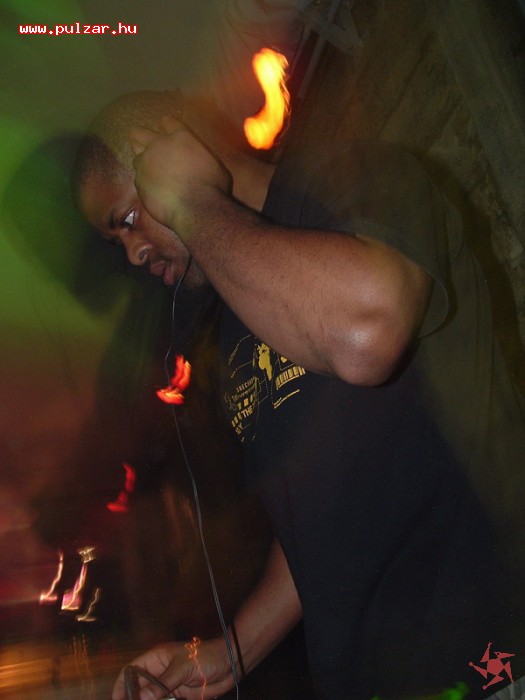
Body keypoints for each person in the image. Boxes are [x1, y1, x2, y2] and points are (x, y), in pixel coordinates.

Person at [73, 89, 525, 700]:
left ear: (170, 150)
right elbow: (315, 525)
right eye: (116, 243)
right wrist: (226, 655)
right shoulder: (234, 312)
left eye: (127, 220)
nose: (133, 254)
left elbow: (368, 333)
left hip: (491, 653)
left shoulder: (357, 177)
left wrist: (192, 201)